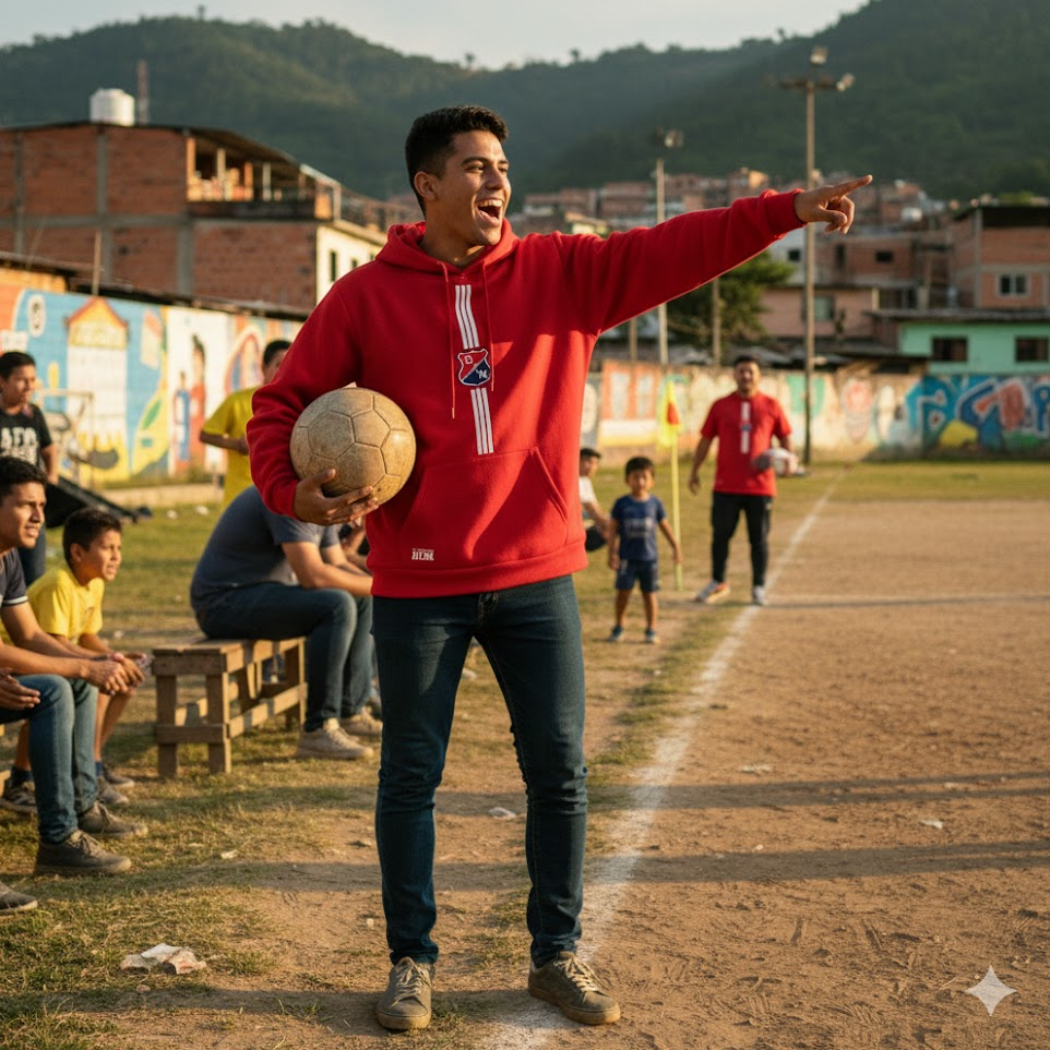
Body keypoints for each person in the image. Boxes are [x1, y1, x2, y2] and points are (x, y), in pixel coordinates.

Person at [245, 104, 870, 1031]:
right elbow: (279, 409)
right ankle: (411, 962)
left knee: (561, 775)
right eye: (475, 167)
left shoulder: (561, 273)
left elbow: (677, 248)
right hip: (419, 580)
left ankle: (556, 954)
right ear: (427, 185)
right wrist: (298, 495)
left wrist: (783, 210)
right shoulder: (365, 298)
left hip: (537, 574)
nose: (497, 181)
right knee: (410, 777)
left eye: (502, 165)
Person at [0, 458, 144, 876]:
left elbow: (28, 634)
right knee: (55, 687)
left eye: (42, 506)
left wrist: (92, 662)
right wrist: (79, 669)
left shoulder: (8, 558)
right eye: (28, 505)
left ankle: (81, 808)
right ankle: (58, 836)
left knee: (73, 684)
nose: (40, 517)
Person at [189, 486, 379, 759]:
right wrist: (377, 586)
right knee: (336, 605)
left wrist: (378, 585)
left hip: (261, 594)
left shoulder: (319, 499)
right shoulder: (285, 495)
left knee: (359, 598)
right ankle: (319, 728)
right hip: (222, 603)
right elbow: (312, 576)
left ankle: (350, 711)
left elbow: (336, 562)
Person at [688, 354, 794, 607]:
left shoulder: (771, 405)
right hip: (726, 485)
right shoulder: (720, 406)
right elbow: (705, 441)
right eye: (741, 371)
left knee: (758, 539)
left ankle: (758, 586)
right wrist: (694, 470)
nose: (746, 376)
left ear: (759, 376)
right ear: (734, 375)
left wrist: (788, 460)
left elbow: (785, 437)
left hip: (760, 487)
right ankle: (717, 581)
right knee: (720, 536)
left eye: (751, 371)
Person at [200, 339, 291, 508]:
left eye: (289, 364)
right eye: (278, 364)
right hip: (239, 498)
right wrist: (236, 444)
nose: (284, 370)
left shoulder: (297, 406)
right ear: (263, 368)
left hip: (280, 500)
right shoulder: (238, 401)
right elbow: (205, 434)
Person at [606, 456, 681, 645]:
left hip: (649, 560)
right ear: (627, 479)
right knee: (623, 592)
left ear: (652, 481)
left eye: (644, 477)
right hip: (627, 559)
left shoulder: (655, 504)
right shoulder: (621, 504)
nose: (640, 481)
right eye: (635, 477)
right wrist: (612, 553)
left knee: (650, 594)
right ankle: (618, 627)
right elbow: (613, 530)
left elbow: (664, 526)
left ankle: (651, 629)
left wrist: (675, 546)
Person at [0, 352, 59, 584]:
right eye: (22, 380)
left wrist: (51, 477)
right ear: (2, 381)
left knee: (34, 575)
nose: (29, 386)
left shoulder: (33, 414)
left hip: (29, 503)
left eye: (32, 380)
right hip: (5, 506)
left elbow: (49, 449)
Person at [578, 447, 609, 552]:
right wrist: (606, 525)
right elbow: (589, 506)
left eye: (595, 463)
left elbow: (594, 506)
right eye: (589, 462)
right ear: (578, 460)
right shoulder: (576, 480)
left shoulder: (585, 480)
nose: (592, 467)